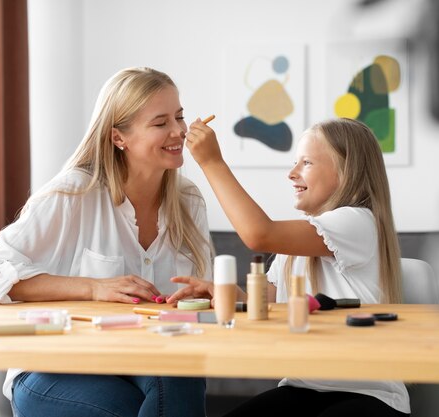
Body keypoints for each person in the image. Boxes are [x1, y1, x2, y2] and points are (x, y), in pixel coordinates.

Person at [0, 67, 213, 417]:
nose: (179, 131)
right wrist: (92, 288)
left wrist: (199, 296)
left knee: (183, 378)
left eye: (179, 116)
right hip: (54, 366)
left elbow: (194, 303)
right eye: (161, 123)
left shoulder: (188, 201)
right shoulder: (74, 193)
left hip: (145, 358)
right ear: (119, 138)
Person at [169, 117, 410, 417]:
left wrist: (212, 162)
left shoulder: (359, 222)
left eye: (306, 163)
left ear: (346, 172)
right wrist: (227, 293)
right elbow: (267, 306)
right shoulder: (296, 245)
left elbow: (259, 234)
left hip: (370, 395)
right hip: (302, 388)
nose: (292, 173)